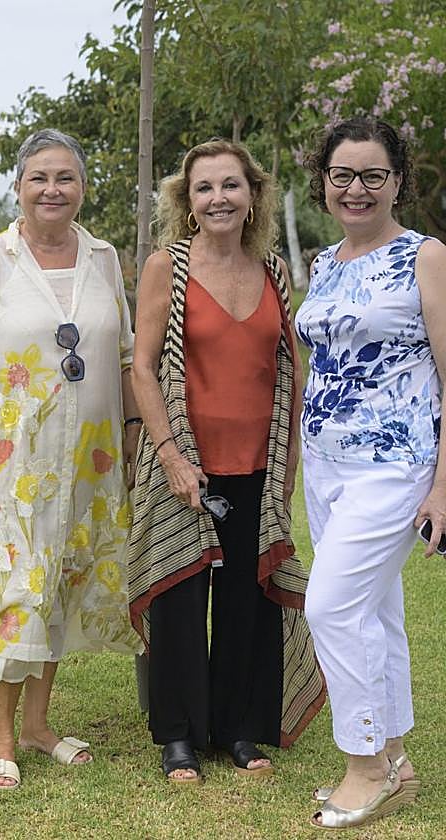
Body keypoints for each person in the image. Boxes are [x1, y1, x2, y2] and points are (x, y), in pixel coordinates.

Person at [0, 129, 141, 791]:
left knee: (64, 582)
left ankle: (39, 725)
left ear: (82, 188)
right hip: (10, 462)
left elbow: (127, 354)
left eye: (65, 178)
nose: (53, 190)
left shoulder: (104, 258)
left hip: (89, 460)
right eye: (39, 179)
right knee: (15, 589)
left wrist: (134, 436)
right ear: (18, 189)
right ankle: (0, 736)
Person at [128, 139, 324, 785]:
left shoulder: (273, 270)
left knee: (249, 595)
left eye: (231, 186)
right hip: (185, 462)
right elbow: (143, 369)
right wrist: (169, 453)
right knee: (181, 595)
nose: (218, 198)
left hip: (257, 462)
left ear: (252, 196)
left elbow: (288, 371)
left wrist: (290, 460)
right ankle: (179, 737)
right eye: (205, 188)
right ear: (188, 203)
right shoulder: (168, 266)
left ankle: (241, 730)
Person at [296, 117, 445, 830]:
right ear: (324, 182)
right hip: (326, 466)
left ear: (397, 182)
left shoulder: (426, 257)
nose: (357, 189)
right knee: (376, 611)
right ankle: (397, 755)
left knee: (330, 606)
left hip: (395, 465)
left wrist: (445, 483)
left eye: (373, 175)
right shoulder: (325, 263)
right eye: (343, 175)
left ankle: (364, 767)